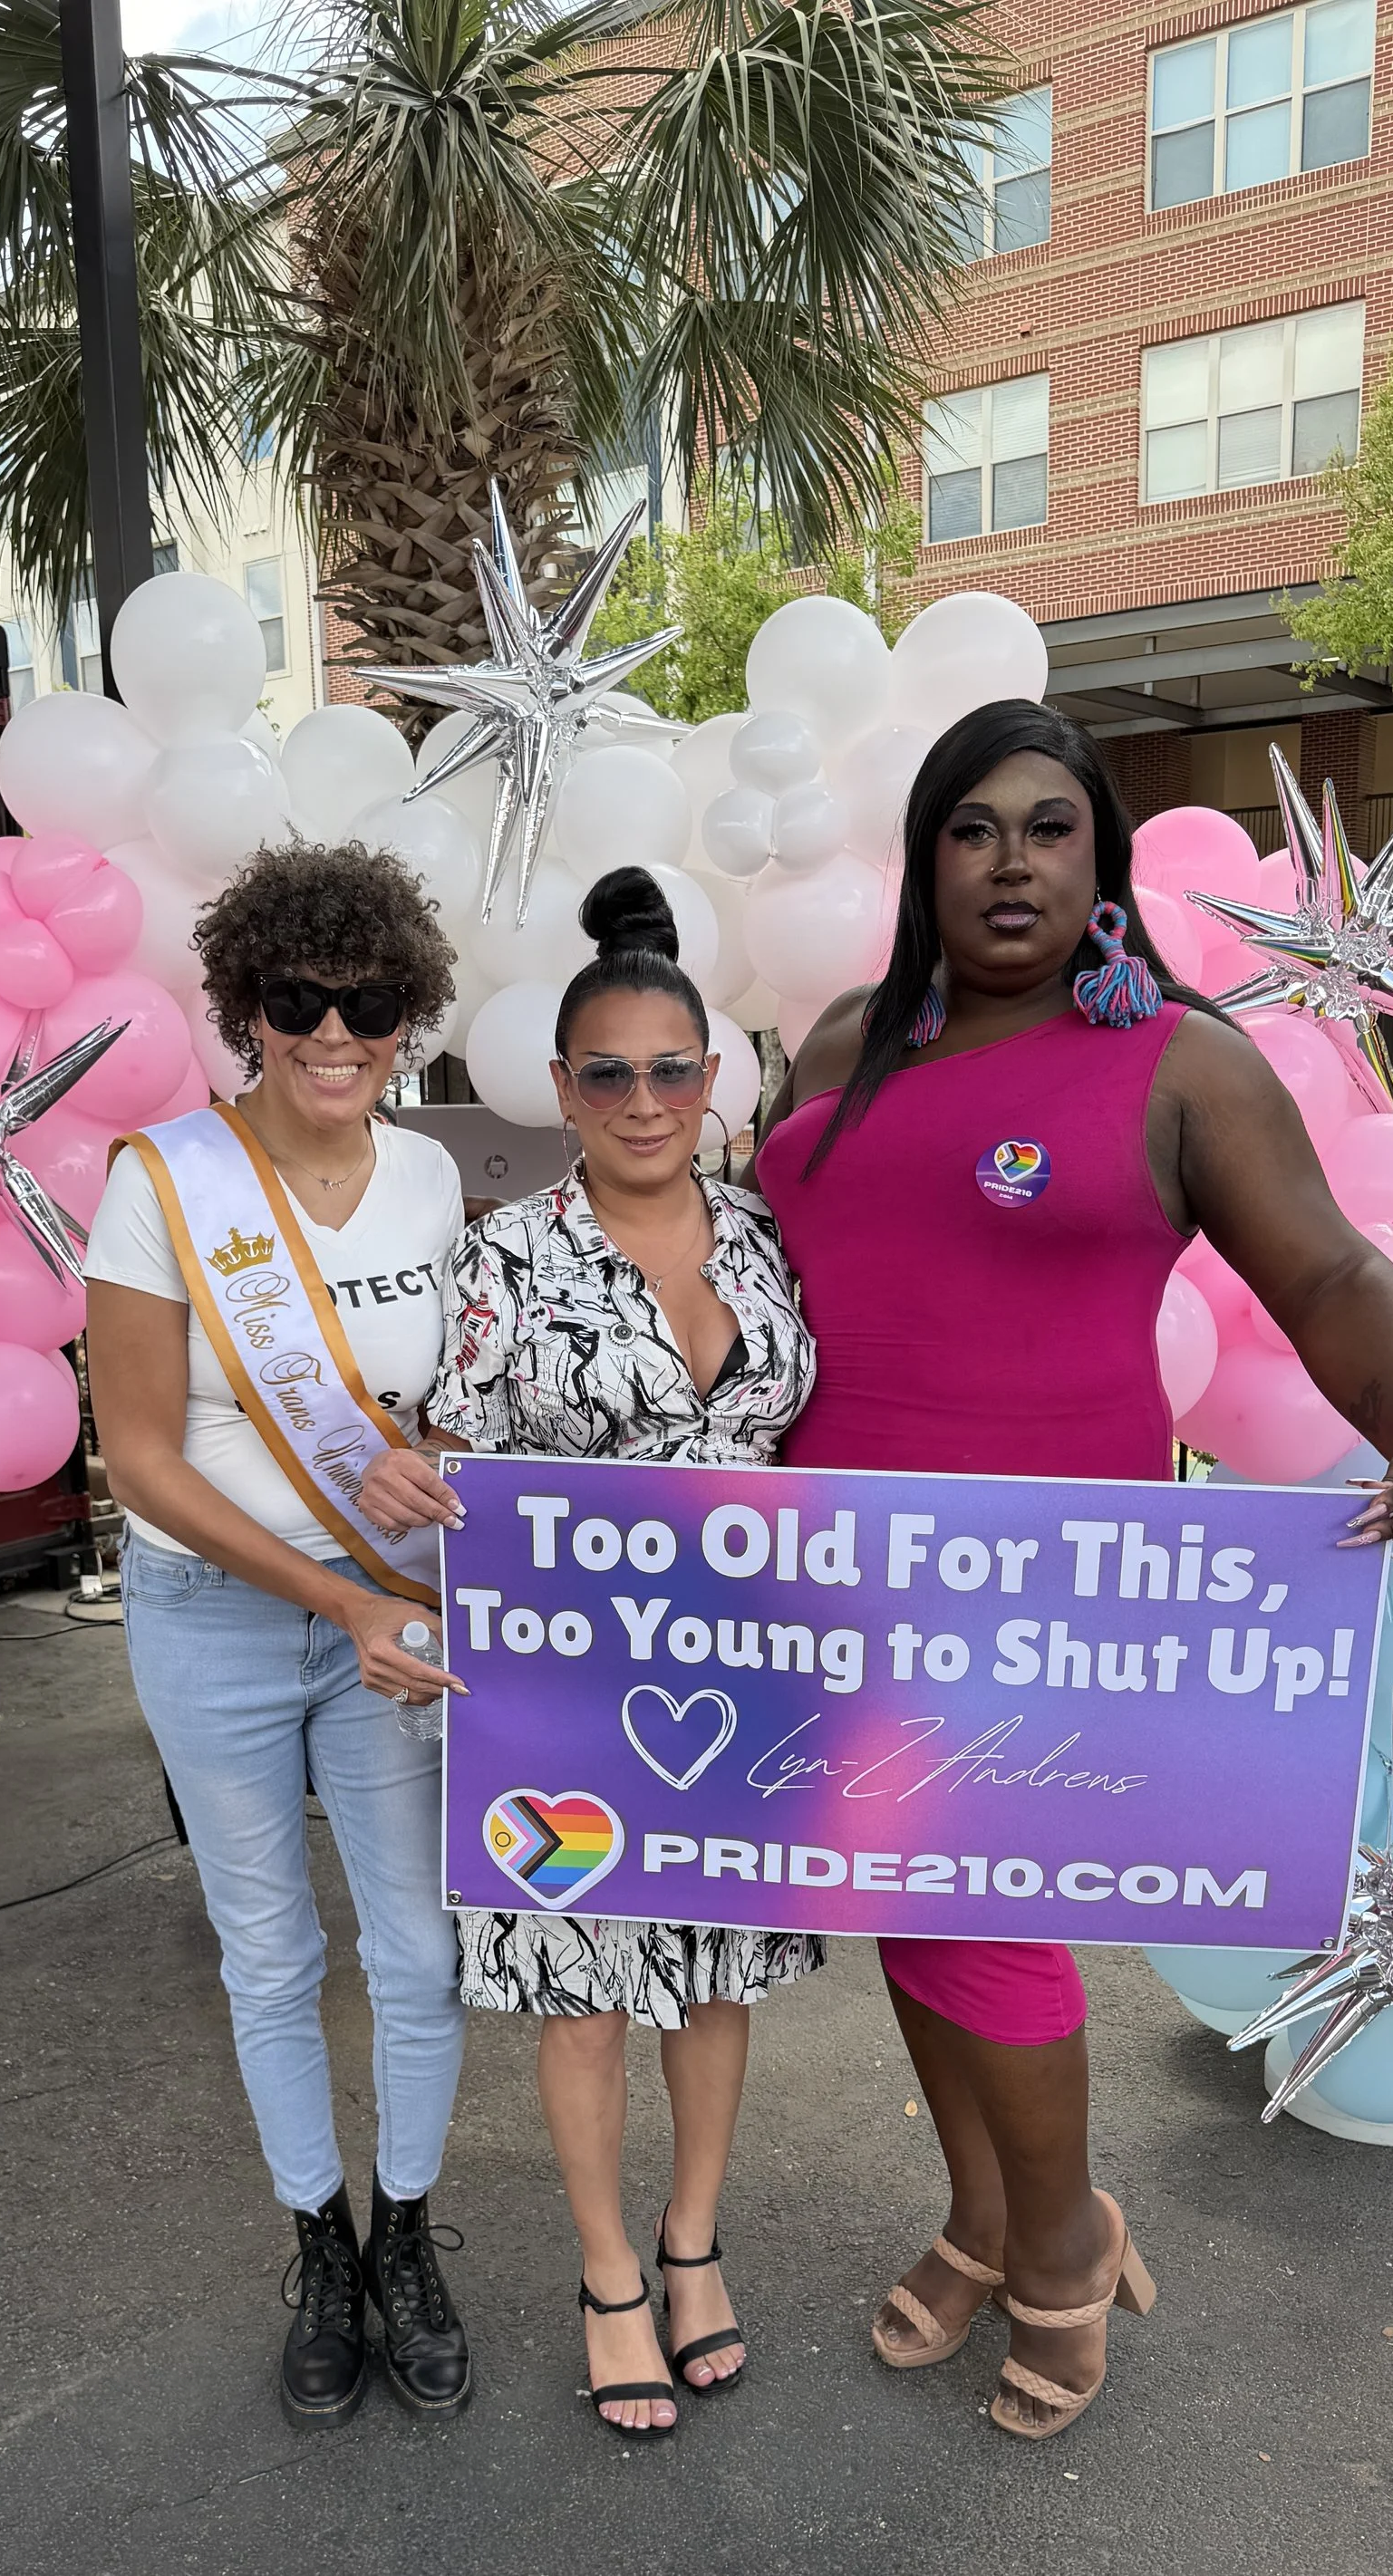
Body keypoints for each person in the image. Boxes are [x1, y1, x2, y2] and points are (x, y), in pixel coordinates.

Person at [756, 700, 1393, 2443]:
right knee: (908, 1918)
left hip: (1041, 1587)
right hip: (836, 1572)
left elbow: (1329, 1278)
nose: (1010, 861)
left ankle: (1066, 2241)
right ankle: (988, 2214)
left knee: (991, 1928)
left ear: (1100, 861)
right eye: (972, 830)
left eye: (1048, 827)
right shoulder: (844, 1046)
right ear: (925, 860)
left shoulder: (1177, 1058)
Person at [362, 866, 819, 2443]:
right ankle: (610, 2272)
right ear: (560, 1086)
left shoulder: (767, 1235)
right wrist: (404, 1541)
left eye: (671, 1069)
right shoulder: (504, 1258)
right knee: (584, 1994)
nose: (642, 1099)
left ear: (714, 1077)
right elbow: (456, 1462)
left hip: (742, 1675)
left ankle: (695, 2244)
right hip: (564, 1690)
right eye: (608, 1072)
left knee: (712, 1978)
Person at [84, 836, 476, 2428]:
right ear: (249, 1004)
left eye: (370, 999)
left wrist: (424, 1447)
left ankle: (404, 2234)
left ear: (410, 1011)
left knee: (420, 1948)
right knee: (271, 1951)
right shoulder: (161, 1177)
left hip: (395, 1610)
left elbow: (438, 1400)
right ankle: (316, 2239)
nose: (336, 1032)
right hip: (221, 1614)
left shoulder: (436, 1174)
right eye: (300, 1000)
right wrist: (338, 1596)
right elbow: (144, 1454)